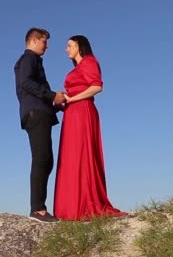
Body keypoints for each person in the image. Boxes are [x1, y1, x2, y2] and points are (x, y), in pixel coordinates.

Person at [53, 35, 127, 220]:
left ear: (80, 46)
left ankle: (85, 204)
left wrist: (72, 99)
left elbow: (97, 87)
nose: (66, 49)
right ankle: (71, 206)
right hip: (72, 113)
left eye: (69, 45)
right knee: (72, 156)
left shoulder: (89, 61)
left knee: (82, 154)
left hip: (83, 112)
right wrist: (63, 101)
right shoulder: (79, 67)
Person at [14, 27, 66, 223]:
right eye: (44, 41)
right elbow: (26, 83)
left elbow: (32, 88)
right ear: (34, 40)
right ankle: (37, 209)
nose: (47, 45)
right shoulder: (28, 59)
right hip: (35, 114)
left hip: (40, 112)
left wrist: (53, 106)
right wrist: (52, 95)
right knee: (41, 158)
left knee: (46, 159)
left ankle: (39, 207)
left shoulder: (32, 60)